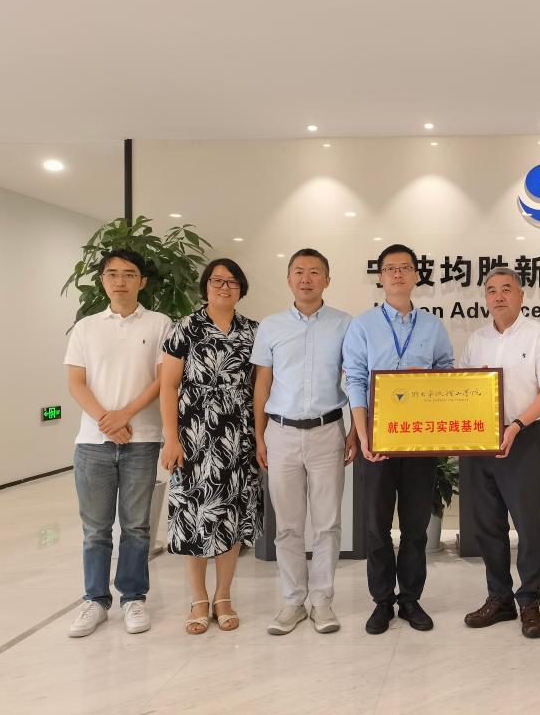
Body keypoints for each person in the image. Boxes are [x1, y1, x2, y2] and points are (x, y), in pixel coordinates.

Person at [342, 243, 454, 635]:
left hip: (420, 439)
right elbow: (355, 380)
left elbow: (447, 373)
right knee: (376, 525)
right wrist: (362, 435)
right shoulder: (363, 326)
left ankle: (410, 599)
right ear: (380, 277)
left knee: (416, 525)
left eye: (405, 268)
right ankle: (381, 601)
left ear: (416, 275)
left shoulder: (433, 326)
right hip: (377, 436)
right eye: (390, 268)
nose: (398, 274)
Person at [64, 248, 172, 638]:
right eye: (112, 274)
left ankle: (133, 598)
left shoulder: (160, 324)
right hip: (93, 442)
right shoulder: (86, 327)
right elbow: (76, 382)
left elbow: (163, 380)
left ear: (142, 281)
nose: (120, 281)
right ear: (102, 280)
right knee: (95, 529)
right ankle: (95, 600)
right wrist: (106, 420)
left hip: (142, 439)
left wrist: (125, 414)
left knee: (137, 526)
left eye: (129, 274)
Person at [251, 248, 356, 635]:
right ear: (289, 279)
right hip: (280, 433)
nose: (306, 278)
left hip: (328, 431)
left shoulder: (345, 324)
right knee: (288, 526)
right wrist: (259, 434)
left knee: (327, 524)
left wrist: (355, 431)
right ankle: (293, 601)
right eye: (299, 271)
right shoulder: (271, 327)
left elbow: (355, 380)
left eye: (314, 272)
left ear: (327, 279)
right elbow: (262, 384)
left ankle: (322, 601)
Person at [459, 267, 540, 639]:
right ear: (485, 299)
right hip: (480, 441)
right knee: (488, 525)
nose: (499, 296)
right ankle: (500, 598)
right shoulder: (476, 341)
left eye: (507, 289)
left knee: (529, 526)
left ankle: (530, 602)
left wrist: (517, 425)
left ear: (521, 296)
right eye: (491, 290)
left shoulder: (539, 336)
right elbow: (460, 388)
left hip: (523, 437)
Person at [159, 258, 262, 634]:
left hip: (237, 438)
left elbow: (260, 387)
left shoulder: (254, 331)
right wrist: (171, 438)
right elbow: (168, 385)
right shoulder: (184, 327)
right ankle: (198, 598)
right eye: (217, 281)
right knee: (195, 515)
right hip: (194, 437)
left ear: (241, 289)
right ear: (205, 287)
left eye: (232, 282)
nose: (224, 287)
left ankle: (223, 596)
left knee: (231, 516)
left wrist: (259, 437)